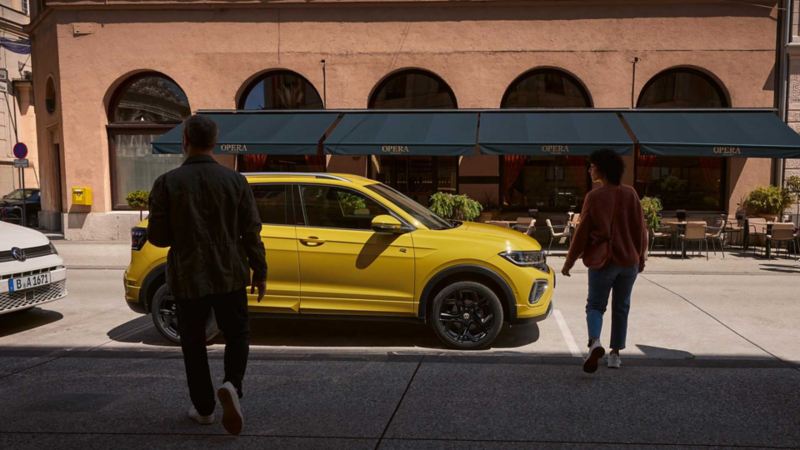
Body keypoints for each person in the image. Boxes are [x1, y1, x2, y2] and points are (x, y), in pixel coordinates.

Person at [148, 115, 267, 435]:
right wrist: (260, 269)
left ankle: (203, 409)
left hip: (189, 275)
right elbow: (251, 231)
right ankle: (232, 385)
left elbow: (158, 237)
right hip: (229, 272)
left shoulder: (167, 183)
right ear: (215, 142)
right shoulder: (235, 181)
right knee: (238, 332)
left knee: (194, 342)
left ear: (185, 140)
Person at [561, 149, 648, 373]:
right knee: (622, 307)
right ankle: (615, 355)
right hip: (628, 261)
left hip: (603, 261)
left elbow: (581, 233)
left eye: (592, 166)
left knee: (595, 306)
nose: (589, 169)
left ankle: (594, 343)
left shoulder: (594, 196)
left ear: (602, 169)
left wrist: (569, 262)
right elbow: (641, 230)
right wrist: (641, 257)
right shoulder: (631, 194)